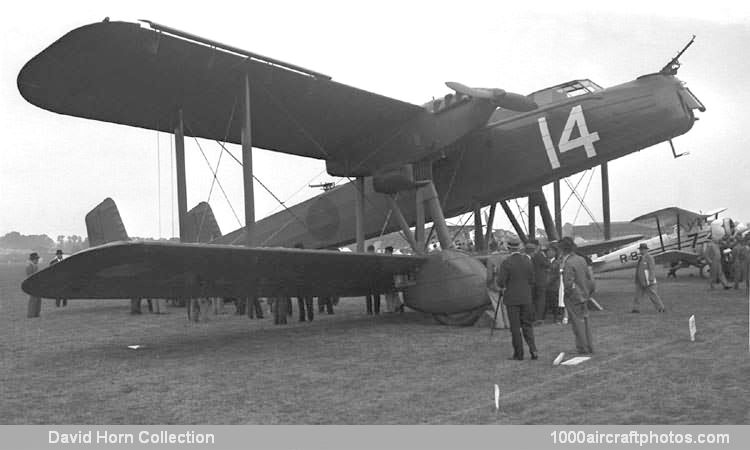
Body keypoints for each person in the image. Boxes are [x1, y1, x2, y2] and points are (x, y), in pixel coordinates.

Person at [497, 238, 538, 361]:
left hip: (512, 298)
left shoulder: (506, 262)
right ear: (519, 247)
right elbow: (532, 280)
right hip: (526, 297)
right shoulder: (527, 261)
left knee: (515, 327)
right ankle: (533, 350)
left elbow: (501, 282)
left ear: (508, 248)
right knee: (527, 325)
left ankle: (519, 354)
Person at [559, 237, 594, 354]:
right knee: (586, 321)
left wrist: (568, 294)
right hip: (584, 293)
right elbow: (588, 277)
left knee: (577, 324)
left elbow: (568, 283)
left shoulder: (568, 263)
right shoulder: (581, 259)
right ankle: (589, 345)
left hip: (574, 296)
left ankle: (582, 347)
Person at [633, 243, 666, 313]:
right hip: (640, 280)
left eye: (642, 249)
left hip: (648, 281)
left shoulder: (649, 258)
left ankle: (661, 308)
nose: (640, 251)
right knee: (637, 295)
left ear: (646, 250)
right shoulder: (641, 258)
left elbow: (652, 269)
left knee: (653, 295)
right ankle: (636, 309)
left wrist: (651, 279)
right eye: (640, 249)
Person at [485, 240, 509, 328]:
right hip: (506, 283)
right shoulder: (505, 256)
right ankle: (508, 323)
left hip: (495, 283)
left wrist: (488, 284)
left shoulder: (491, 258)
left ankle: (500, 324)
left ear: (490, 248)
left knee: (497, 306)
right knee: (505, 305)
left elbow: (489, 275)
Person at [526, 240, 550, 325]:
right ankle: (539, 318)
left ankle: (533, 317)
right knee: (541, 299)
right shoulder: (539, 255)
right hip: (541, 280)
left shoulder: (528, 256)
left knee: (533, 299)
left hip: (532, 281)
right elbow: (547, 264)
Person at [365, 244, 381, 315]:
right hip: (376, 279)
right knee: (376, 295)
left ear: (368, 250)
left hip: (368, 279)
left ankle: (369, 311)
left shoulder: (366, 258)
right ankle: (377, 311)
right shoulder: (377, 257)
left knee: (368, 296)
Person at [26, 252, 42, 318]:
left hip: (37, 285)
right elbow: (30, 277)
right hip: (32, 285)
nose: (38, 260)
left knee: (38, 300)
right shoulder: (29, 266)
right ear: (33, 259)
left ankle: (37, 314)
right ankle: (31, 315)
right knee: (33, 300)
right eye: (36, 259)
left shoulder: (35, 265)